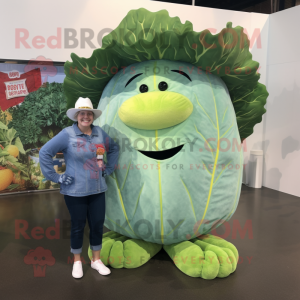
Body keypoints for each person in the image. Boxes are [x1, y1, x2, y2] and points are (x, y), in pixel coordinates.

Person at [39, 97, 119, 279]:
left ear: (92, 116)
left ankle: (96, 260)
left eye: (89, 113)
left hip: (98, 189)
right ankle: (77, 261)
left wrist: (109, 167)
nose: (86, 116)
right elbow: (45, 152)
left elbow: (113, 149)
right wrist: (55, 176)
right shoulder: (67, 134)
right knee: (77, 226)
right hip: (75, 191)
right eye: (82, 113)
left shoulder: (99, 133)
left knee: (98, 225)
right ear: (76, 116)